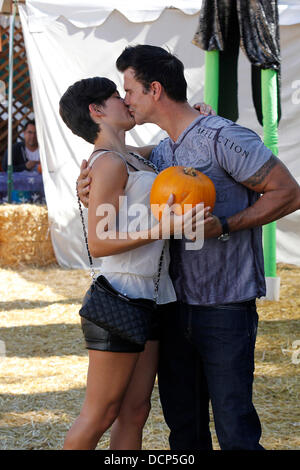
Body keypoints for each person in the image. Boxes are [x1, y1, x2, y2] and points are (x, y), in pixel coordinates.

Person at [77, 45, 300, 450]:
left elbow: (288, 193)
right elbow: (121, 163)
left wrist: (228, 224)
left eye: (130, 90)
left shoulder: (225, 137)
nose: (126, 99)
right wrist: (90, 182)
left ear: (155, 90)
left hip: (225, 304)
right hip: (172, 307)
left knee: (235, 428)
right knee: (184, 430)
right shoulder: (163, 152)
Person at [59, 76, 208, 450]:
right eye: (115, 96)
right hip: (121, 294)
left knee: (135, 410)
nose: (126, 101)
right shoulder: (108, 163)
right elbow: (98, 242)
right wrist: (165, 227)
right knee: (101, 412)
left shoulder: (130, 156)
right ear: (96, 111)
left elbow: (166, 144)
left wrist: (197, 116)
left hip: (154, 295)